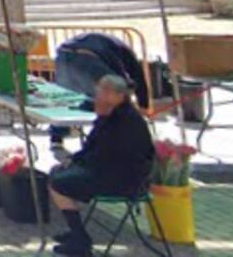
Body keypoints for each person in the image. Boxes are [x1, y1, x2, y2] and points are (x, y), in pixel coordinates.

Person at [49, 74, 155, 257]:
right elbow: (94, 149)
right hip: (111, 172)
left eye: (105, 94)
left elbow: (105, 156)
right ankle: (76, 232)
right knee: (58, 173)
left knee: (57, 183)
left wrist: (75, 163)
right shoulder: (113, 114)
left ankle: (80, 238)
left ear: (120, 96)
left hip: (122, 180)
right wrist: (74, 161)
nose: (99, 98)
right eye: (99, 93)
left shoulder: (124, 123)